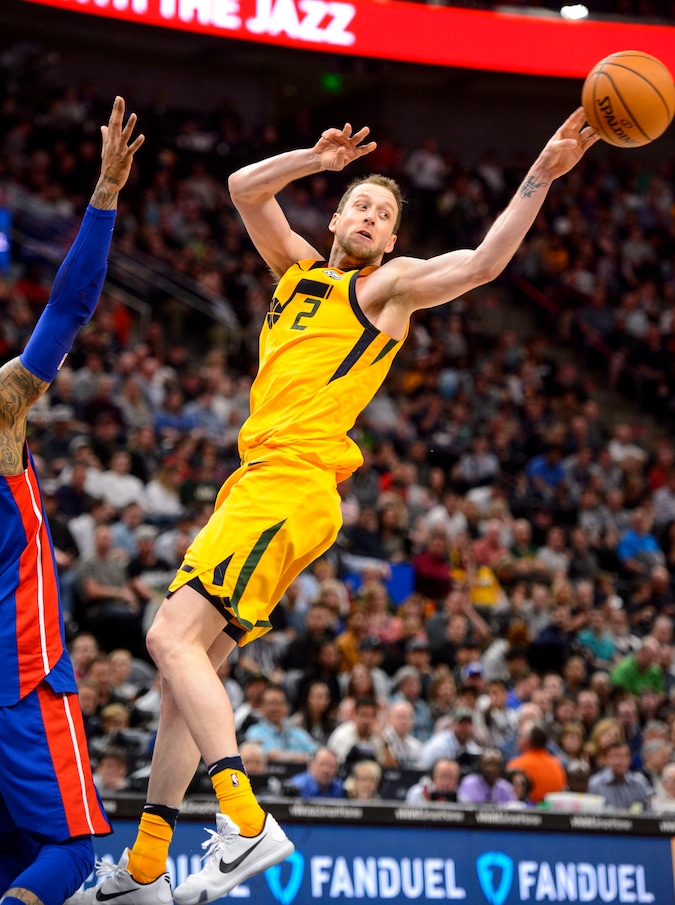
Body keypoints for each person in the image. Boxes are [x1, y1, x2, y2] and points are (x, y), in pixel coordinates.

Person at [69, 109, 598, 905]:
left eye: (385, 215)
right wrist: (314, 160)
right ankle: (146, 866)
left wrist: (540, 176)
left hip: (292, 483)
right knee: (191, 671)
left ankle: (246, 820)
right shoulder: (296, 271)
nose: (372, 217)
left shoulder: (383, 289)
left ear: (389, 244)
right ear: (337, 217)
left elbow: (484, 263)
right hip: (255, 485)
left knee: (165, 634)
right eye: (361, 204)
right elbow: (244, 187)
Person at [0, 96, 143, 905]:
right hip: (18, 676)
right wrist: (104, 194)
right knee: (80, 850)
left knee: (15, 862)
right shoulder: (0, 407)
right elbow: (69, 308)